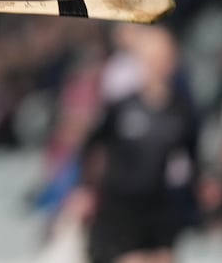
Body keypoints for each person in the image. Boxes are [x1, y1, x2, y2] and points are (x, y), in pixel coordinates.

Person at [72, 25, 199, 263]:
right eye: (152, 58)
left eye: (164, 57)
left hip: (159, 205)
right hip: (120, 208)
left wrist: (197, 194)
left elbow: (192, 158)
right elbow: (90, 146)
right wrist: (84, 188)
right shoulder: (121, 107)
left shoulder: (182, 112)